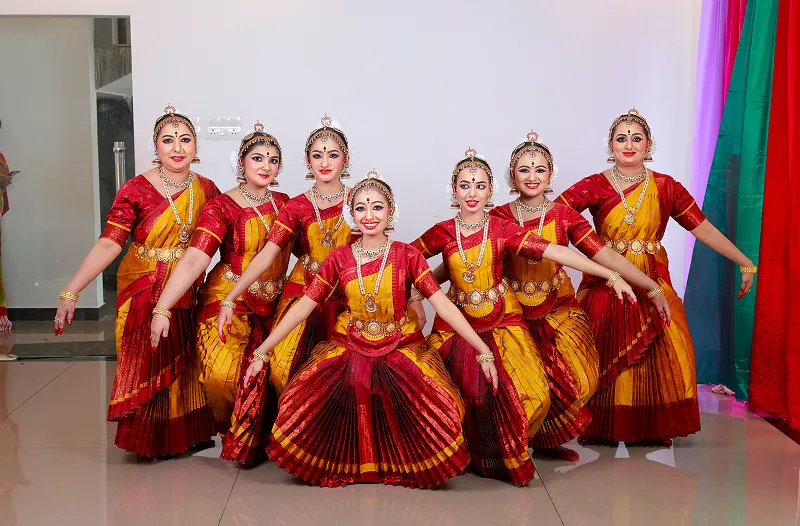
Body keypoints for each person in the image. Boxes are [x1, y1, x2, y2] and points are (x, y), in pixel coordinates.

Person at [242, 170, 498, 488]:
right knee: (301, 398)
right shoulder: (340, 257)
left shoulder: (408, 255)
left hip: (399, 344)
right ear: (352, 214)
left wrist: (483, 349)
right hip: (351, 341)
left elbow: (443, 305)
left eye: (377, 206)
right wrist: (263, 351)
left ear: (390, 212)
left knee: (442, 404)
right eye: (360, 207)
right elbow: (305, 306)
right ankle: (354, 461)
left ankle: (400, 458)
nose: (369, 215)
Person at [413, 148, 637, 485]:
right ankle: (473, 454)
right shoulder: (443, 231)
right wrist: (407, 290)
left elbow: (555, 251)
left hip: (504, 319)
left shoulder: (502, 228)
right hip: (456, 321)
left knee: (535, 395)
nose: (472, 193)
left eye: (479, 185)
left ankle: (522, 444)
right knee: (465, 393)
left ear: (491, 190)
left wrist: (611, 275)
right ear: (453, 190)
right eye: (464, 185)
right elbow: (400, 260)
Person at [558, 107, 756, 446]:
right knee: (603, 346)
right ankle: (603, 424)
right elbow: (555, 218)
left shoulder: (665, 187)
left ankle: (651, 425)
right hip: (608, 278)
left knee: (671, 344)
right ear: (611, 145)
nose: (629, 144)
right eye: (622, 138)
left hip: (654, 275)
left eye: (637, 138)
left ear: (649, 144)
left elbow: (703, 229)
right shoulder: (594, 184)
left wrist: (744, 261)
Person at [490, 132, 671, 461]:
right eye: (524, 169)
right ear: (511, 176)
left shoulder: (564, 216)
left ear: (550, 175)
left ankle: (546, 443)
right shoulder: (498, 218)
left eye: (540, 169)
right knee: (523, 383)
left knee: (581, 380)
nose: (533, 176)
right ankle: (511, 445)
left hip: (557, 307)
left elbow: (602, 254)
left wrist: (650, 285)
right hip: (512, 312)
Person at [55, 105, 218, 458]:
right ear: (155, 147)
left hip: (187, 285)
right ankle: (147, 441)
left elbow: (227, 234)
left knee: (183, 361)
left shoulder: (207, 188)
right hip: (143, 284)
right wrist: (72, 290)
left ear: (196, 147)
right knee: (149, 358)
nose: (177, 148)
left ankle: (182, 436)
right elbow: (110, 242)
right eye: (168, 140)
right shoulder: (136, 188)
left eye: (185, 140)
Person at [150, 122, 291, 464]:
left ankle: (271, 437)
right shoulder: (222, 206)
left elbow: (316, 251)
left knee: (284, 369)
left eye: (273, 160)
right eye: (257, 158)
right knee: (221, 376)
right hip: (227, 297)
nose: (265, 165)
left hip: (276, 299)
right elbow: (196, 257)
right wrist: (162, 308)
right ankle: (239, 435)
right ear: (241, 164)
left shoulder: (288, 204)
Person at [218, 114, 357, 396]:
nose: (325, 163)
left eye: (333, 154)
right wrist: (230, 297)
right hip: (302, 288)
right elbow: (267, 255)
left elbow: (381, 250)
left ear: (346, 159)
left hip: (348, 291)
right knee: (282, 370)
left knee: (347, 374)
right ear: (308, 161)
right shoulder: (296, 206)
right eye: (317, 155)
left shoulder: (360, 199)